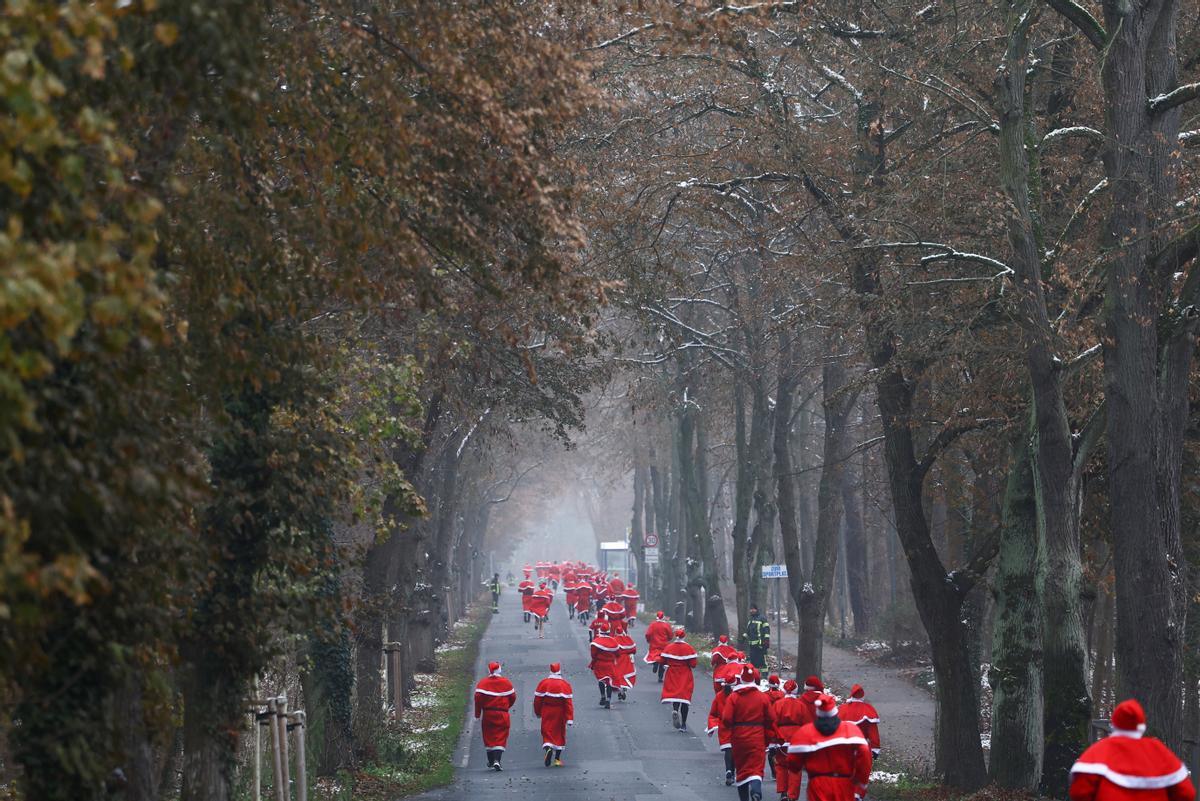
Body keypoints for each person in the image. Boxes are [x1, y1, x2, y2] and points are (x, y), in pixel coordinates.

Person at [1068, 699, 1195, 801]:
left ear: (1114, 723)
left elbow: (1079, 791)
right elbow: (1186, 793)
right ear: (1141, 727)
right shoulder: (1158, 751)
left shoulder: (1100, 750)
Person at [785, 693, 872, 801]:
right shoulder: (850, 730)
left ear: (818, 713)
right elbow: (864, 754)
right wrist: (861, 780)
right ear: (835, 711)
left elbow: (793, 762)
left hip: (818, 784)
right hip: (844, 784)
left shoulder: (805, 733)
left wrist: (797, 766)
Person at [723, 664, 777, 801]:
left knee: (742, 768)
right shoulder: (762, 697)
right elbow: (771, 718)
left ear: (741, 678)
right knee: (756, 767)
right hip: (757, 735)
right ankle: (756, 790)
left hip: (739, 736)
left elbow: (726, 719)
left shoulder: (734, 697)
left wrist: (733, 726)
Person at [473, 661, 516, 771]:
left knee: (488, 736)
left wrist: (478, 714)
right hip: (502, 713)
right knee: (500, 736)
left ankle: (491, 760)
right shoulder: (506, 683)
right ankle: (497, 760)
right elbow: (512, 697)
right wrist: (506, 707)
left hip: (488, 713)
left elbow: (478, 699)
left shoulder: (483, 683)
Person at [533, 662, 574, 767]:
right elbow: (568, 703)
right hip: (560, 712)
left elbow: (537, 700)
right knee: (559, 733)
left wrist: (538, 712)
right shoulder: (564, 684)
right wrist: (569, 718)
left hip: (547, 710)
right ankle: (557, 759)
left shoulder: (544, 683)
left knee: (547, 731)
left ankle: (548, 748)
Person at [772, 680, 807, 801]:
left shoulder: (778, 704)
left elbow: (773, 722)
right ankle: (792, 795)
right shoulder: (801, 705)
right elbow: (806, 723)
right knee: (795, 768)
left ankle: (783, 792)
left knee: (781, 765)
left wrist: (775, 738)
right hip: (797, 738)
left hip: (782, 737)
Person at [660, 626, 698, 731]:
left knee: (675, 695)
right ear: (684, 636)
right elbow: (693, 664)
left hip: (672, 673)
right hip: (685, 674)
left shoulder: (669, 647)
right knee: (684, 698)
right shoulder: (688, 648)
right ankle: (684, 724)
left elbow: (662, 660)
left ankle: (675, 709)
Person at [707, 671, 738, 786]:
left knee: (727, 750)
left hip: (723, 726)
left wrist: (711, 726)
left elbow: (713, 713)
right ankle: (732, 772)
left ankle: (728, 770)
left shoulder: (719, 696)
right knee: (734, 750)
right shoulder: (737, 695)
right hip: (736, 726)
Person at [839, 684, 880, 757]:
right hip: (861, 747)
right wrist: (875, 748)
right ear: (862, 696)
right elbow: (873, 732)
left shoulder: (842, 709)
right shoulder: (868, 710)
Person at [589, 620, 620, 708]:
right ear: (608, 632)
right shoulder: (614, 642)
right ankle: (608, 699)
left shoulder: (596, 642)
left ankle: (603, 696)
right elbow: (618, 654)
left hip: (599, 663)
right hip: (610, 664)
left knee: (601, 680)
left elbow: (593, 655)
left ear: (600, 631)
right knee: (609, 681)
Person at [644, 611, 673, 682]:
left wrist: (649, 640)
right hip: (664, 645)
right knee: (663, 660)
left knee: (654, 655)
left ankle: (655, 662)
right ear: (663, 617)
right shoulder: (666, 625)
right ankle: (660, 677)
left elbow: (648, 634)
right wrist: (668, 639)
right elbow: (670, 635)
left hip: (654, 643)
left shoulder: (653, 625)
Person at [613, 619, 637, 701]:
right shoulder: (628, 639)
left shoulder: (614, 640)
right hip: (627, 660)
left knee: (618, 675)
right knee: (626, 674)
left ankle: (620, 689)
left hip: (617, 660)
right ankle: (624, 690)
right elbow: (634, 650)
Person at [744, 604, 770, 670]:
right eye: (751, 609)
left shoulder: (762, 618)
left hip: (761, 645)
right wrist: (743, 638)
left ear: (756, 609)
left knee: (762, 663)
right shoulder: (751, 619)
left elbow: (767, 630)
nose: (752, 610)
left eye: (753, 609)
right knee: (754, 663)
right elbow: (748, 631)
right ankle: (756, 677)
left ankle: (764, 677)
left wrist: (766, 640)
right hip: (752, 646)